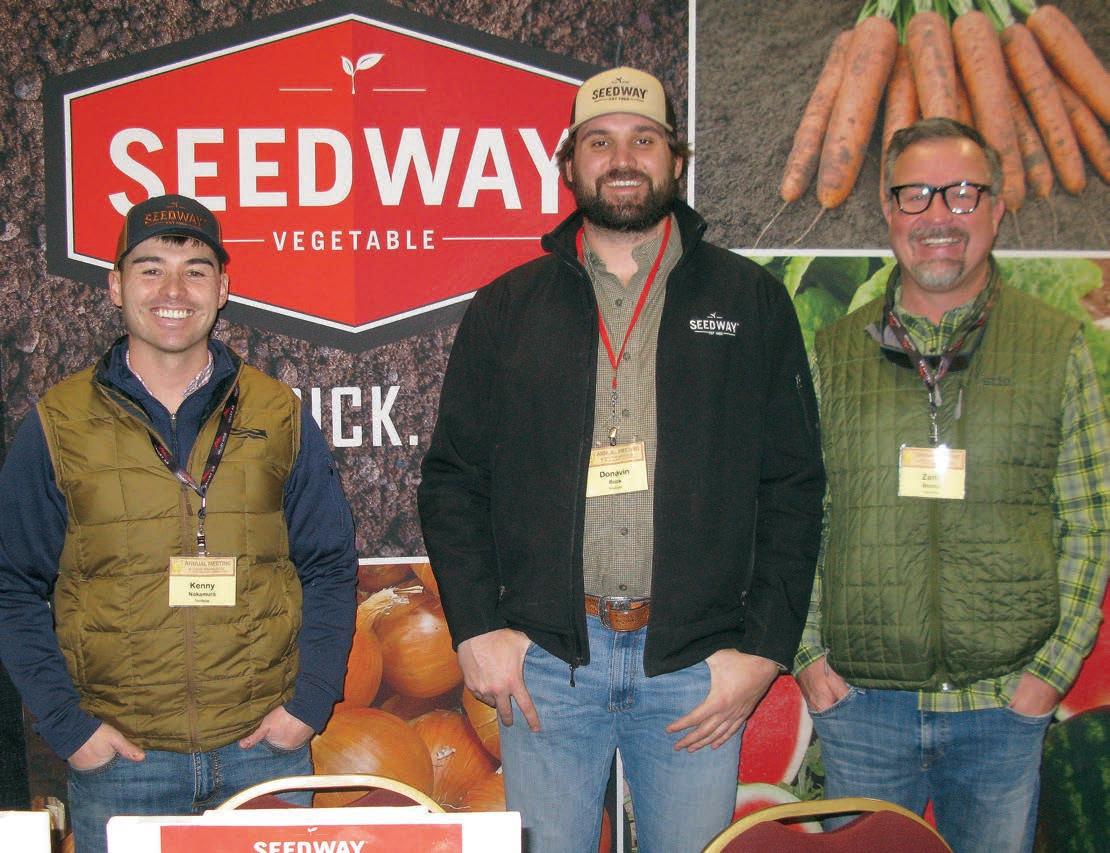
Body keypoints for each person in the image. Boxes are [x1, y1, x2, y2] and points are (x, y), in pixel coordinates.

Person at [418, 66, 824, 853]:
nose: (623, 159)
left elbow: (792, 487)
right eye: (599, 143)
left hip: (694, 665)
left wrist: (764, 648)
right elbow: (454, 480)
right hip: (548, 664)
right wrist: (476, 628)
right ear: (569, 164)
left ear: (677, 159)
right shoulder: (507, 307)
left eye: (644, 139)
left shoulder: (750, 302)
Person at [0, 195, 358, 853]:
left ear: (222, 289)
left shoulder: (277, 412)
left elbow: (329, 565)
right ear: (115, 285)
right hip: (122, 765)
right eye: (150, 269)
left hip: (263, 754)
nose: (173, 291)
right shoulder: (58, 422)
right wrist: (70, 729)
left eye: (195, 271)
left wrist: (308, 704)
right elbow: (11, 584)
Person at [794, 118, 1109, 853]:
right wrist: (810, 660)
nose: (939, 215)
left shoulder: (1054, 345)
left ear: (997, 209)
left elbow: (1090, 522)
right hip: (863, 708)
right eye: (916, 194)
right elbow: (796, 514)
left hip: (1002, 708)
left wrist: (1047, 677)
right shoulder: (833, 353)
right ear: (888, 210)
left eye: (963, 193)